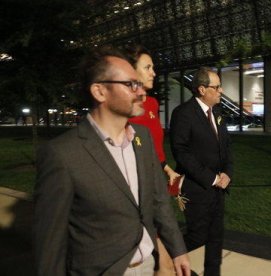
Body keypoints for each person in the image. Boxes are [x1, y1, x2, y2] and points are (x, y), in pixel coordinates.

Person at [34, 46, 191, 276]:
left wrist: (178, 249)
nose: (141, 92)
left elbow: (158, 200)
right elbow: (50, 245)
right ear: (99, 91)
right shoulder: (62, 154)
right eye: (131, 84)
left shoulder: (143, 139)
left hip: (149, 265)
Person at [170, 67, 233, 276]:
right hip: (196, 189)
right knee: (197, 237)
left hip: (218, 190)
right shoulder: (183, 114)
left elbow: (226, 148)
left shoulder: (217, 113)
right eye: (216, 87)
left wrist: (227, 173)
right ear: (202, 89)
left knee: (215, 239)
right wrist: (212, 178)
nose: (221, 91)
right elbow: (181, 153)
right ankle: (166, 262)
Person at [126, 45, 180, 276]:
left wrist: (166, 168)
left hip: (156, 180)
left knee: (165, 257)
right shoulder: (127, 107)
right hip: (139, 186)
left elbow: (154, 144)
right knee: (164, 260)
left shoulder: (152, 104)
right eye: (147, 67)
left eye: (153, 67)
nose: (153, 72)